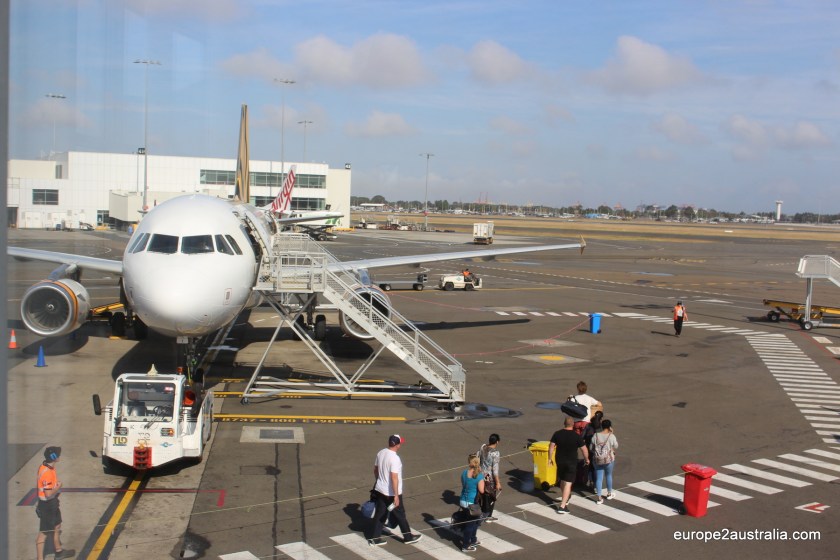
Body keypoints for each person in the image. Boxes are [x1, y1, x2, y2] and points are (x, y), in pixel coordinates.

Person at [369, 435, 422, 547]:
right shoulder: (395, 458)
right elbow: (394, 477)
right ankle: (408, 537)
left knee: (380, 513)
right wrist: (396, 496)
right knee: (400, 514)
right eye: (400, 443)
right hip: (391, 493)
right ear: (397, 445)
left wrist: (379, 481)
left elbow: (375, 470)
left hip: (380, 489)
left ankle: (375, 538)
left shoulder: (381, 452)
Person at [36, 446, 75, 560]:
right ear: (54, 457)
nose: (59, 455)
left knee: (57, 525)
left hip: (52, 503)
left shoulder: (47, 466)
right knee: (43, 533)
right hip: (47, 505)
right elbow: (48, 493)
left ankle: (58, 552)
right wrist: (58, 487)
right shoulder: (47, 472)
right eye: (58, 454)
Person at [548, 417, 589, 514]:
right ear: (573, 424)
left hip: (560, 461)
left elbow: (551, 447)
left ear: (564, 423)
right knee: (568, 483)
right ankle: (562, 506)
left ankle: (566, 496)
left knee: (562, 480)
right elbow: (584, 449)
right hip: (571, 462)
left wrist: (549, 458)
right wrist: (587, 459)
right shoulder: (576, 436)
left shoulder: (557, 434)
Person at [458, 454, 485, 552]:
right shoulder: (479, 476)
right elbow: (482, 490)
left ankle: (473, 540)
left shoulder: (464, 473)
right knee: (471, 524)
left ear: (469, 462)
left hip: (463, 500)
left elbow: (464, 484)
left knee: (474, 522)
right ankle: (466, 545)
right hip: (472, 503)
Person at [591, 419, 619, 504]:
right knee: (608, 475)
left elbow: (591, 448)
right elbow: (616, 446)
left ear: (602, 426)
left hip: (597, 459)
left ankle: (599, 498)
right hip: (608, 459)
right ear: (610, 427)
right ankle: (609, 493)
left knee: (599, 478)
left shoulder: (595, 435)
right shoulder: (611, 436)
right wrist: (612, 433)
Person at [477, 434, 501, 522]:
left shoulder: (483, 447)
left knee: (481, 494)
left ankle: (480, 512)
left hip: (481, 474)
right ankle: (488, 515)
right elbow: (495, 470)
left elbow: (478, 457)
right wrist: (498, 482)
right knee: (491, 495)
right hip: (489, 477)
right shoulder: (496, 453)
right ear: (497, 442)